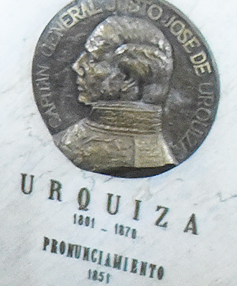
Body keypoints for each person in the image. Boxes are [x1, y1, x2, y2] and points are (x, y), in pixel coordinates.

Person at [53, 14, 181, 175]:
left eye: (92, 59)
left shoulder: (137, 158)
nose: (77, 66)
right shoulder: (74, 140)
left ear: (126, 77)